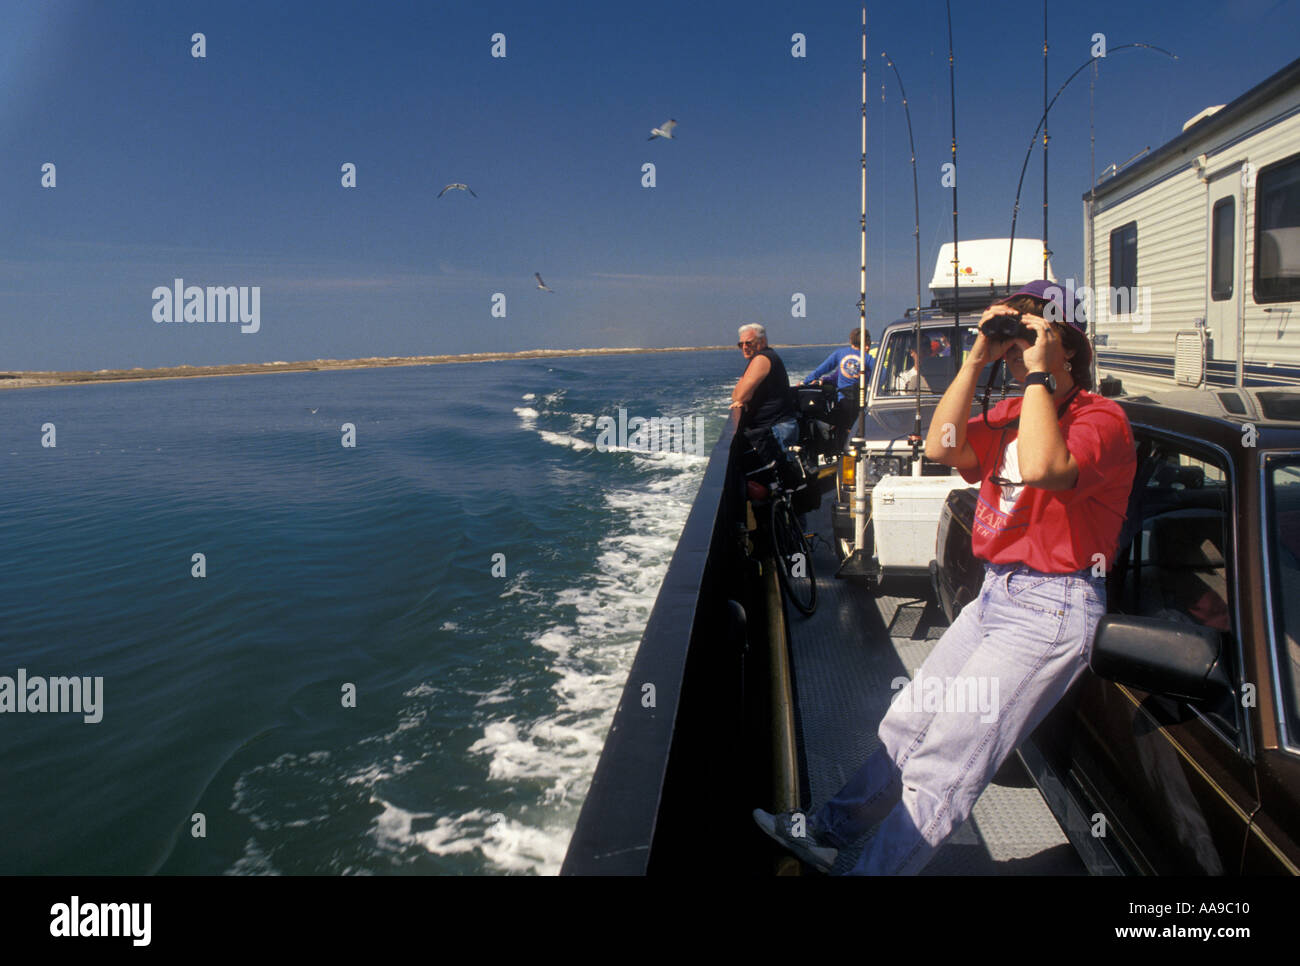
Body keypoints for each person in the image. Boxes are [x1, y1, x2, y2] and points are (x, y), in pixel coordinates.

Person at [753, 279, 1136, 874]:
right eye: (1013, 336)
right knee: (908, 725)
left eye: (1033, 332)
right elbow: (941, 445)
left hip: (1051, 608)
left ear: (1069, 346)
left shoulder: (1101, 419)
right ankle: (827, 832)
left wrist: (1038, 372)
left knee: (946, 761)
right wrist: (977, 357)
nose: (1018, 348)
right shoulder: (1012, 411)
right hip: (996, 594)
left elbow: (1043, 466)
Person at [731, 323, 799, 477]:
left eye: (749, 343)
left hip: (777, 429)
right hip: (776, 427)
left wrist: (742, 394)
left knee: (784, 478)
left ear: (762, 341)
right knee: (783, 477)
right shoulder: (761, 358)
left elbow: (739, 396)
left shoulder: (762, 359)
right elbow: (737, 395)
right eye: (741, 344)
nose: (744, 347)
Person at [803, 329, 871, 432]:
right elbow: (883, 374)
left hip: (843, 402)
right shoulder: (867, 358)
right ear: (865, 342)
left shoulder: (840, 354)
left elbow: (821, 369)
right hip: (861, 402)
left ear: (850, 341)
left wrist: (805, 381)